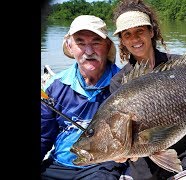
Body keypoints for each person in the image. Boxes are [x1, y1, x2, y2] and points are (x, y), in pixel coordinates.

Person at [110, 0, 186, 179]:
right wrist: (122, 152)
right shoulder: (119, 82)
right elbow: (121, 131)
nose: (134, 39)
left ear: (151, 32)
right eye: (127, 34)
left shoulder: (179, 66)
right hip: (143, 164)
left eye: (139, 31)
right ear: (122, 41)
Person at [41, 15, 132, 180]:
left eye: (96, 42)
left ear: (107, 45)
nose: (89, 51)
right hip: (59, 164)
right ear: (69, 46)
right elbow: (43, 137)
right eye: (80, 42)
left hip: (104, 165)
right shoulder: (54, 86)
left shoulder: (124, 83)